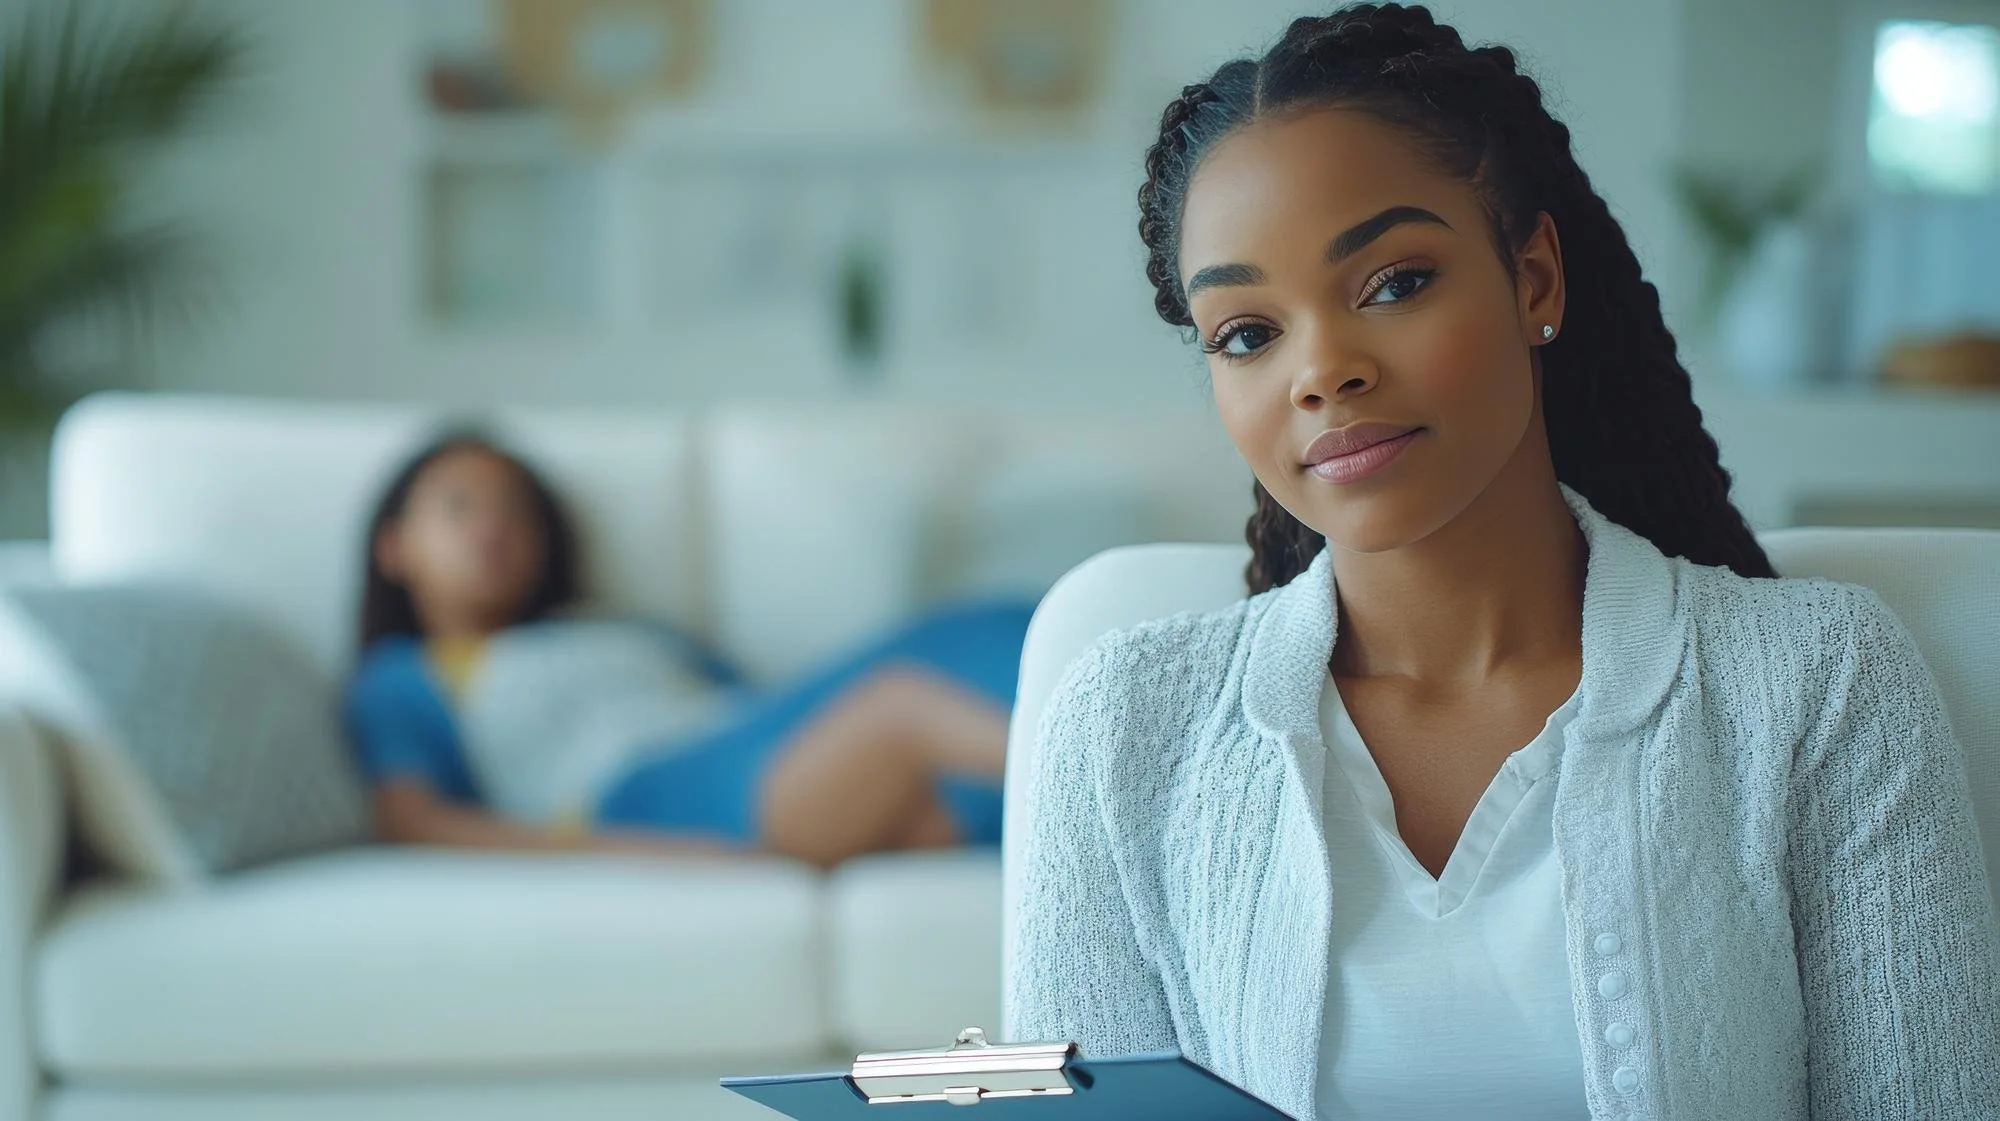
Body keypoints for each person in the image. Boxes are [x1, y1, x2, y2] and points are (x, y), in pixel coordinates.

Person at [1006, 5, 2000, 1119]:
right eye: (1247, 334)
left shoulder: (1818, 683)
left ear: (1533, 281)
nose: (1321, 371)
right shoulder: (1123, 729)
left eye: (1392, 282)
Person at [344, 431, 1030, 870]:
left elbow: (751, 704)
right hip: (656, 796)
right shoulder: (402, 674)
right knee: (900, 704)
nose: (493, 527)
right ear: (395, 546)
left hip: (753, 740)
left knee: (982, 633)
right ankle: (1095, 766)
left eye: (514, 511)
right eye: (460, 506)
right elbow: (414, 820)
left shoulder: (615, 633)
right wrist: (656, 853)